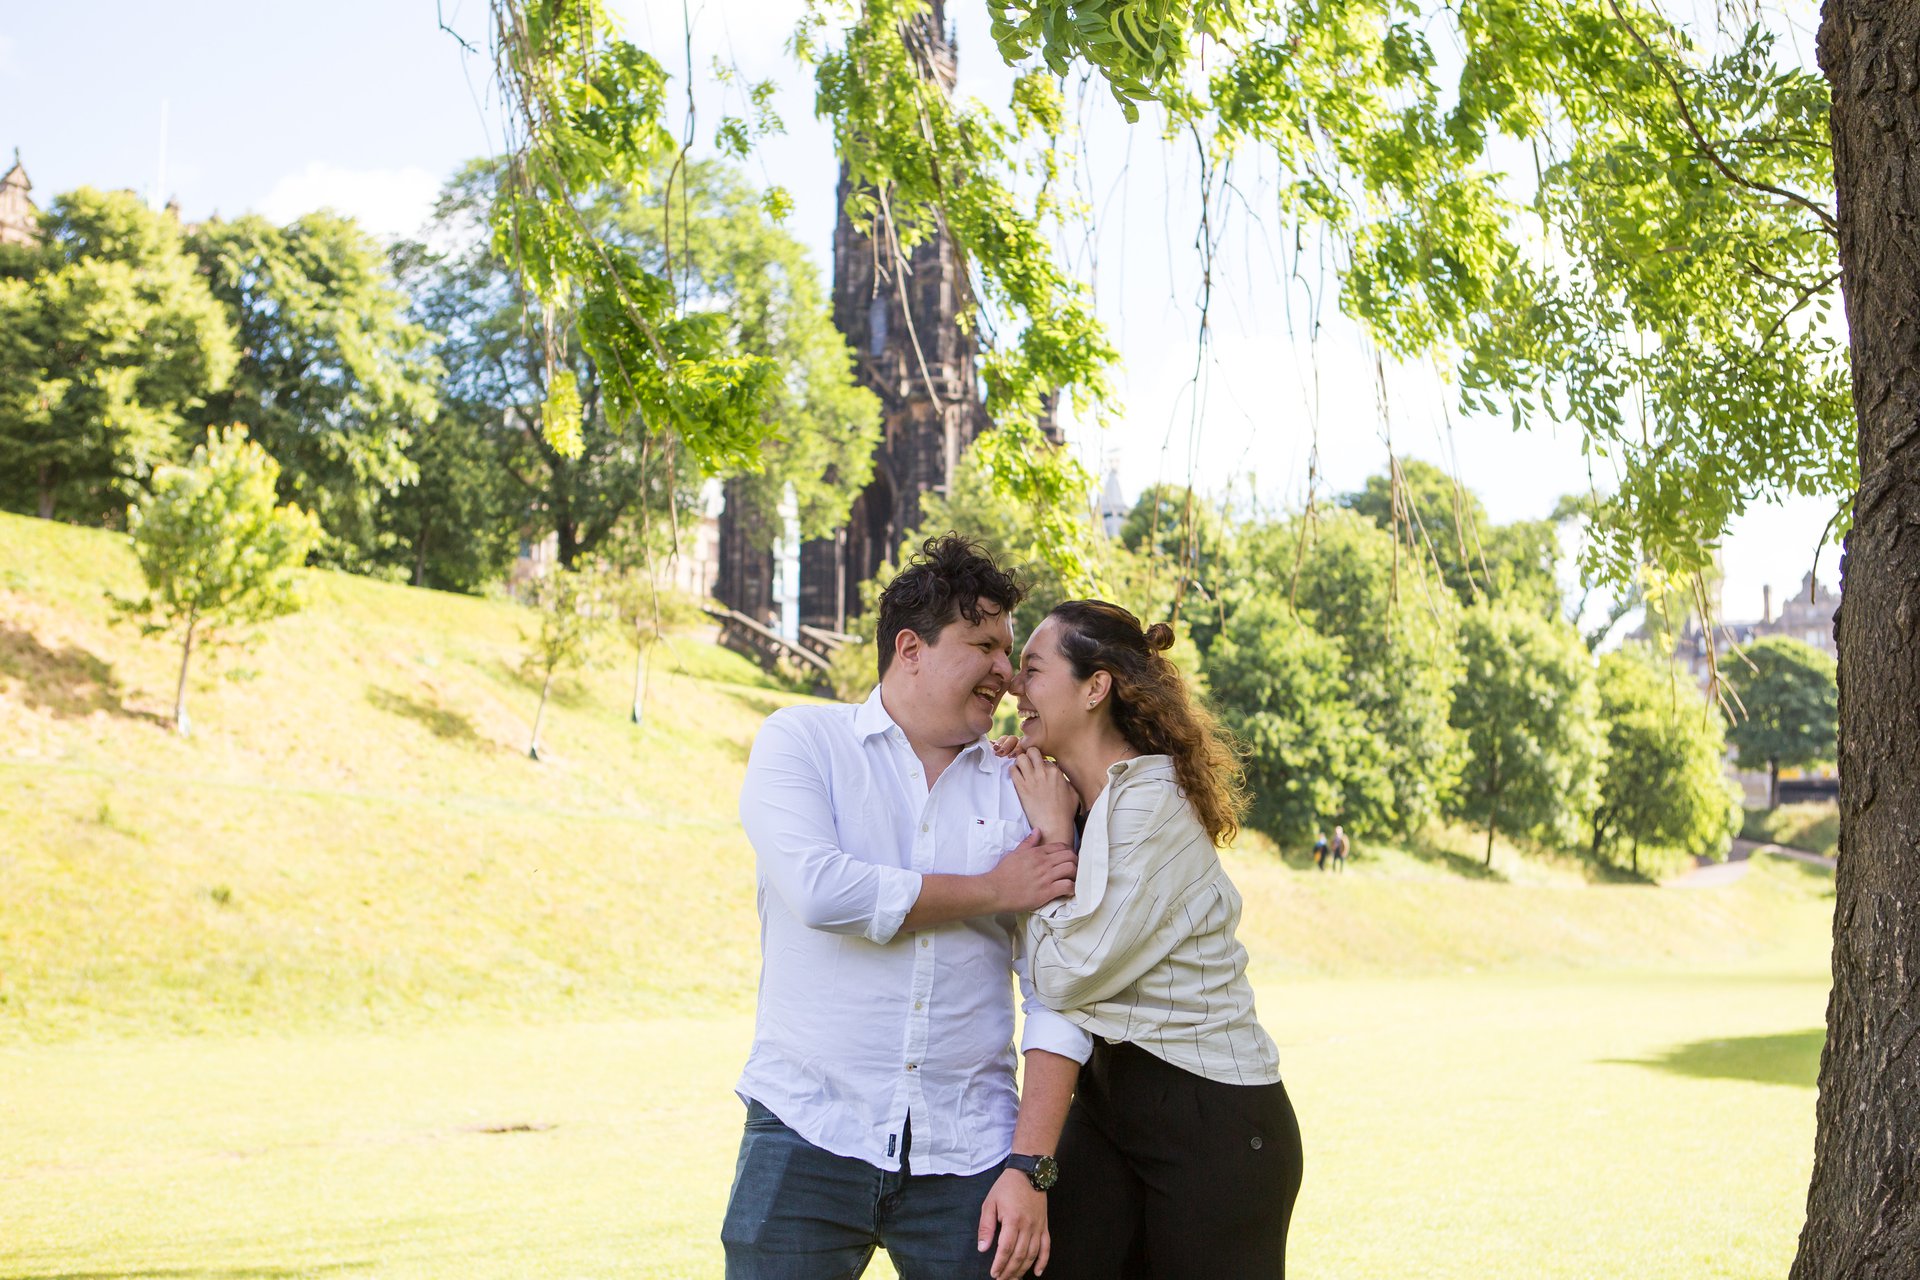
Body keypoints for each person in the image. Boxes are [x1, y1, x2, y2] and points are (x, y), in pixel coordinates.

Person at [723, 535, 1093, 1280]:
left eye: (1010, 651)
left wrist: (1031, 1166)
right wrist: (995, 888)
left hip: (972, 1154)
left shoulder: (1024, 787)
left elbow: (1059, 988)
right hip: (806, 1130)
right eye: (984, 645)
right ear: (910, 649)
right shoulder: (803, 742)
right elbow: (822, 890)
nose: (1006, 672)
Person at [1001, 599, 1304, 1278]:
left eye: (1033, 668)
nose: (1015, 685)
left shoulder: (1154, 802)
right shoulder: (1081, 799)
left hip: (1214, 1121)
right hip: (1110, 1103)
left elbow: (1066, 976)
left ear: (1095, 687)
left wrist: (1052, 836)